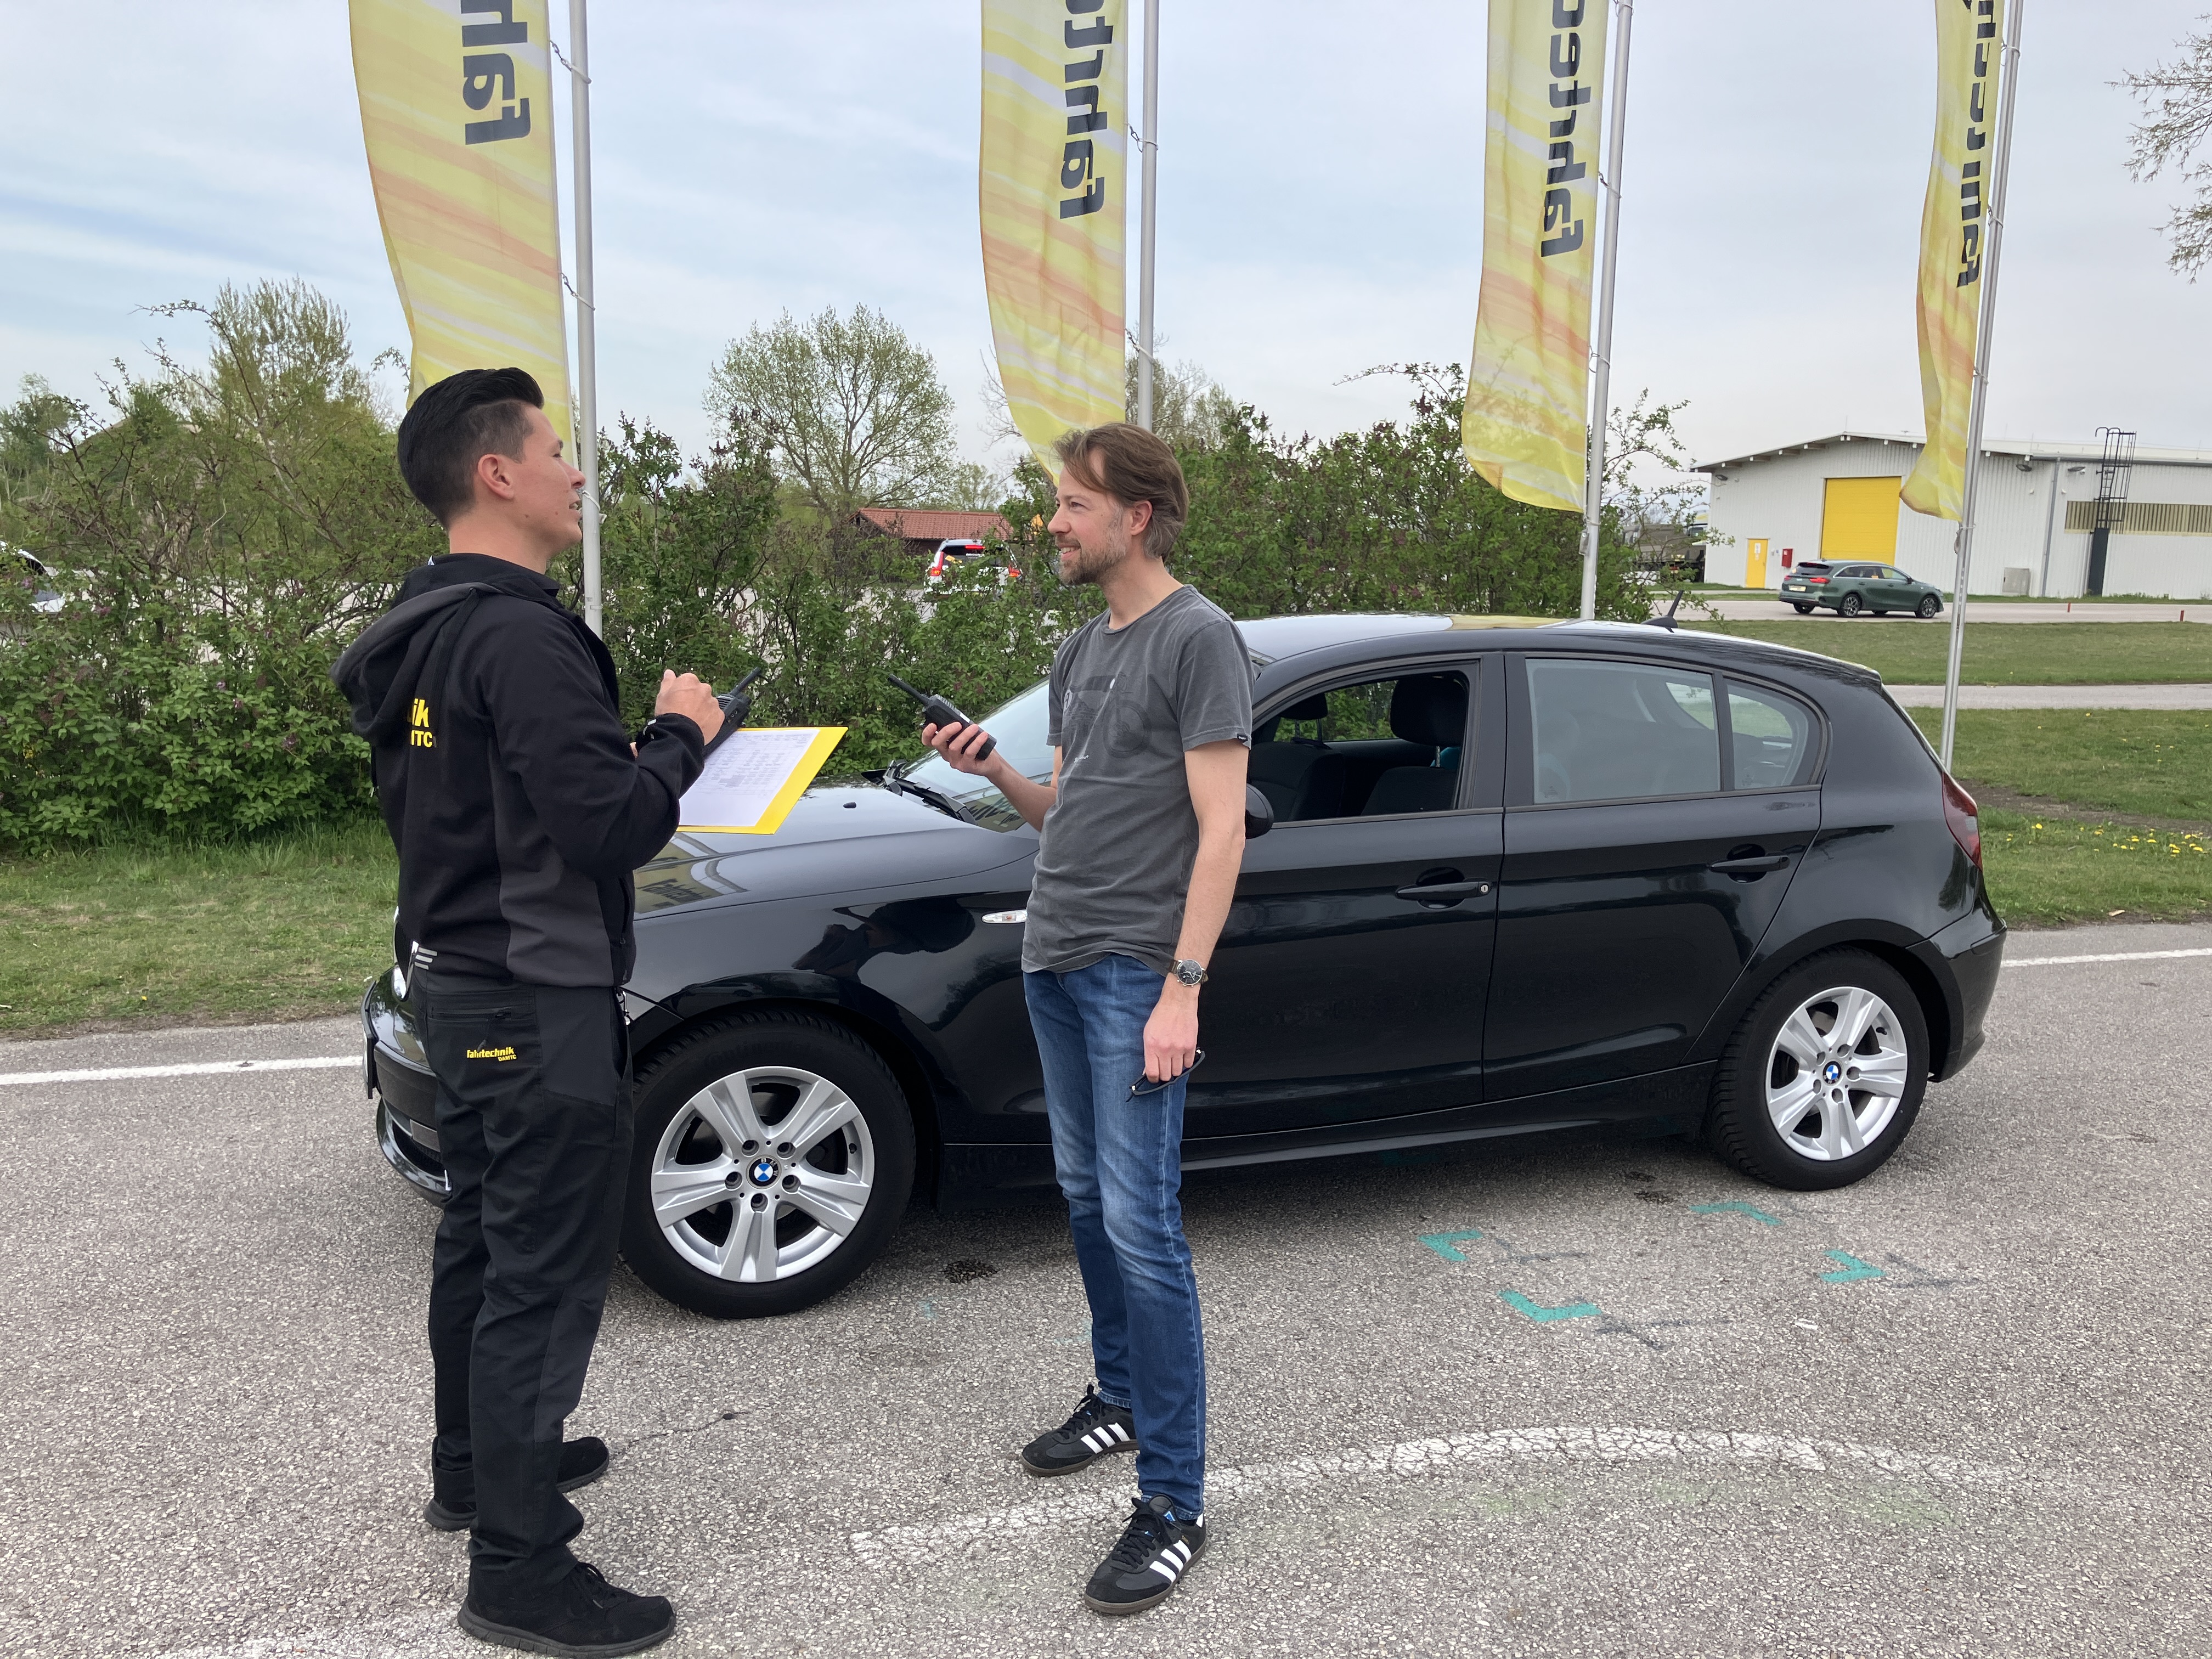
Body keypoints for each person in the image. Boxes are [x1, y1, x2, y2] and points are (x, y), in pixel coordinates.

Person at [332, 368, 719, 1657]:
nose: (576, 469)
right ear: (496, 473)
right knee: (543, 1277)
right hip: (534, 993)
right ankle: (520, 1571)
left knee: (485, 1237)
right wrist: (679, 735)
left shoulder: (427, 627)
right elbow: (609, 823)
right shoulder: (515, 631)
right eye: (557, 448)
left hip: (456, 977)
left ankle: (475, 1466)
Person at [921, 422, 1251, 1616]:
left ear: (1136, 517)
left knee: (1144, 1224)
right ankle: (1117, 1399)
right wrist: (993, 773)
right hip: (1054, 959)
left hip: (1132, 974)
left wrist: (1183, 987)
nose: (1052, 522)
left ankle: (1175, 1500)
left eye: (1071, 503)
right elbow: (1068, 811)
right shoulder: (1078, 649)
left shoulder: (1198, 640)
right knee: (1085, 1198)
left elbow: (1221, 831)